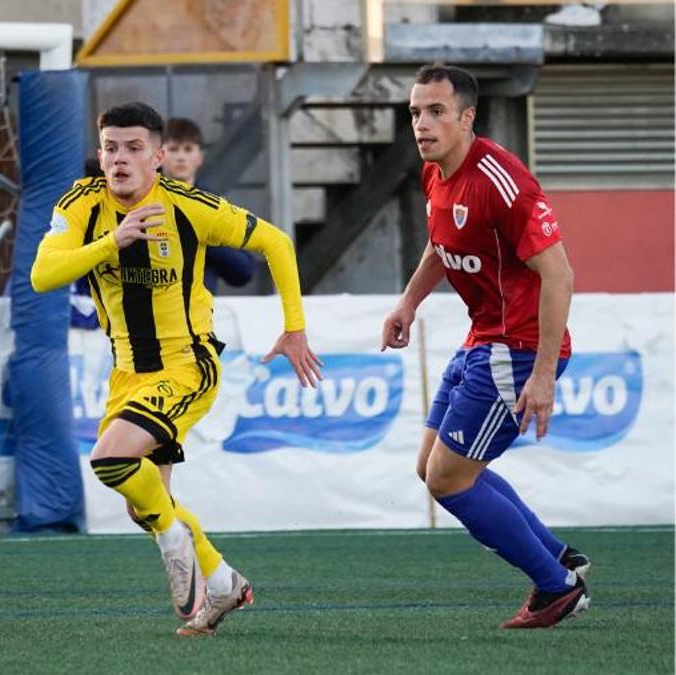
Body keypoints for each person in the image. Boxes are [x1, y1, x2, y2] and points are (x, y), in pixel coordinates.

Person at [32, 102, 322, 636]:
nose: (120, 159)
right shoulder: (80, 205)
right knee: (142, 504)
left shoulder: (188, 206)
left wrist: (295, 328)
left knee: (111, 460)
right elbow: (42, 274)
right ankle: (221, 580)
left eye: (134, 148)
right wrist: (112, 241)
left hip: (188, 366)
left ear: (159, 157)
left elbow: (276, 243)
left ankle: (175, 543)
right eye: (111, 148)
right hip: (128, 375)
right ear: (100, 154)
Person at [380, 64, 590, 629]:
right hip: (482, 339)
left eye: (436, 112)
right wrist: (408, 303)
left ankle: (557, 587)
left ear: (467, 117)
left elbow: (560, 275)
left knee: (450, 479)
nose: (422, 124)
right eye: (415, 113)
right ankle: (559, 558)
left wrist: (542, 375)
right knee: (432, 468)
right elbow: (439, 243)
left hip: (517, 348)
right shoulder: (435, 172)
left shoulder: (503, 180)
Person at [160, 118, 255, 293]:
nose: (181, 156)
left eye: (188, 149)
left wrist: (207, 236)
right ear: (159, 156)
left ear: (199, 157)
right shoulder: (140, 200)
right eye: (173, 149)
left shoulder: (215, 206)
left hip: (200, 314)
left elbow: (244, 271)